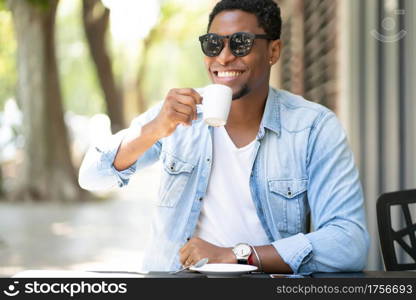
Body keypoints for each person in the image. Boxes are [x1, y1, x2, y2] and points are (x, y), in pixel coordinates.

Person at [79, 0, 369, 274]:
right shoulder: (176, 115)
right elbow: (91, 176)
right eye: (213, 44)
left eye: (241, 43)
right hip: (176, 282)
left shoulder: (314, 128)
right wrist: (154, 129)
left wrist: (239, 254)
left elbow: (350, 243)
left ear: (273, 51)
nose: (224, 56)